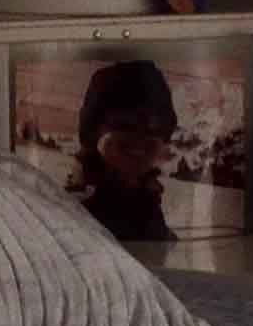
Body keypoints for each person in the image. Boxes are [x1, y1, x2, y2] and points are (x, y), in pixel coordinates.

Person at [68, 58, 180, 244]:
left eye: (153, 129)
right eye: (124, 126)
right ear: (93, 132)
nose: (139, 139)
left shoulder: (147, 201)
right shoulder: (75, 207)